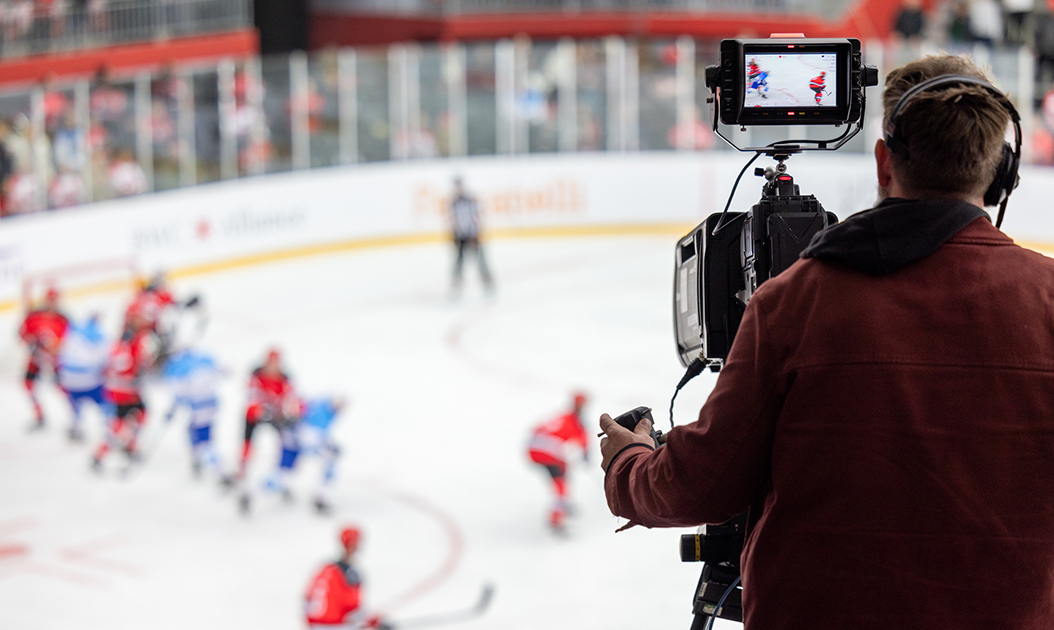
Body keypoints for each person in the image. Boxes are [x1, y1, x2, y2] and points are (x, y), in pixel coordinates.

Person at [599, 54, 1054, 629]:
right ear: (1001, 172)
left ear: (883, 162)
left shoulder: (797, 301)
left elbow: (697, 486)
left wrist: (628, 465)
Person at [236, 349, 301, 511]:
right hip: (256, 414)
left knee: (286, 444)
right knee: (247, 444)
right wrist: (261, 409)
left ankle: (280, 478)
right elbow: (251, 396)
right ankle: (242, 473)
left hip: (276, 416)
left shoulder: (285, 379)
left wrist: (290, 410)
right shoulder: (256, 376)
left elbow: (291, 397)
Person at [92, 309, 155, 471]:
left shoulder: (120, 341)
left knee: (136, 417)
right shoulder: (136, 342)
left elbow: (107, 365)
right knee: (123, 423)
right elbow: (140, 363)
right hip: (127, 392)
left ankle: (124, 447)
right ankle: (102, 453)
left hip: (116, 391)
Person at [263, 396, 346, 514]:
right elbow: (311, 439)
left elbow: (314, 438)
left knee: (328, 465)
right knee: (282, 475)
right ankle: (253, 494)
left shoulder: (317, 414)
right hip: (292, 450)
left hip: (297, 447)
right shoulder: (302, 422)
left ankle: (320, 496)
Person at [161, 347, 228, 480]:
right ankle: (200, 460)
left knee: (204, 442)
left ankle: (220, 470)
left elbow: (179, 394)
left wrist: (172, 410)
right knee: (197, 434)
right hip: (211, 405)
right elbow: (223, 370)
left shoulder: (177, 369)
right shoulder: (202, 360)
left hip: (200, 409)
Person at [304, 527, 390, 629]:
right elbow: (353, 610)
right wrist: (374, 621)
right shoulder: (350, 574)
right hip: (338, 626)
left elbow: (306, 602)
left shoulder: (324, 569)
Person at [527, 392, 589, 532]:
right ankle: (557, 517)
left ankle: (563, 505)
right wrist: (586, 455)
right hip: (546, 452)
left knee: (564, 468)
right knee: (560, 482)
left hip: (534, 448)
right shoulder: (576, 421)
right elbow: (583, 439)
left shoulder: (561, 416)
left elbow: (536, 428)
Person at [18, 287, 68, 429]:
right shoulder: (34, 317)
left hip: (55, 360)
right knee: (28, 385)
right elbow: (23, 334)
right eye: (50, 299)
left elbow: (70, 342)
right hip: (36, 359)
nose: (52, 303)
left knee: (62, 388)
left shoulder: (63, 320)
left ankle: (75, 419)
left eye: (55, 300)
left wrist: (58, 349)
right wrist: (30, 343)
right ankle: (39, 413)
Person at [57, 314, 111, 442]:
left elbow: (62, 355)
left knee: (75, 402)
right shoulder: (101, 334)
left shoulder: (72, 330)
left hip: (68, 379)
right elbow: (105, 359)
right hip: (89, 380)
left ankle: (76, 425)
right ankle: (110, 427)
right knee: (105, 402)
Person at [449, 176, 494, 296]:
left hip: (472, 234)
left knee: (481, 261)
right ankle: (456, 284)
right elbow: (453, 219)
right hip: (461, 236)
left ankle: (488, 283)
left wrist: (476, 233)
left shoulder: (470, 200)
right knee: (459, 262)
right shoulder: (454, 202)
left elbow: (477, 216)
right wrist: (454, 234)